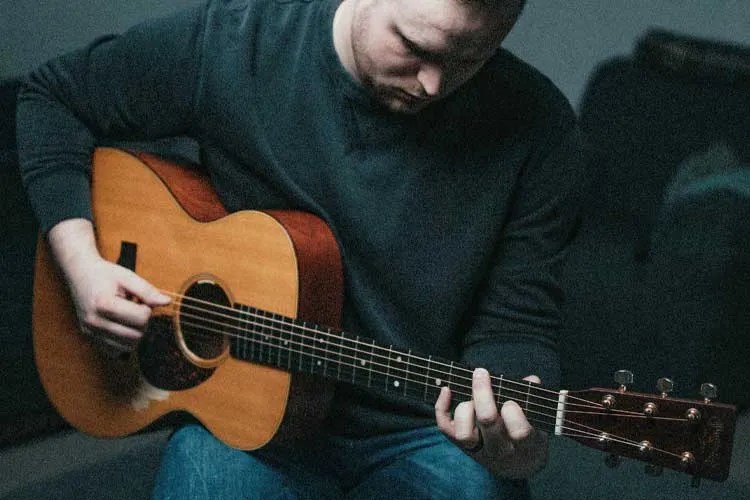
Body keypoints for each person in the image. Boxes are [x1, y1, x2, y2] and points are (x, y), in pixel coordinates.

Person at [16, 0, 585, 498]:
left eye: (469, 60)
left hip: (422, 427)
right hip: (247, 423)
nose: (432, 85)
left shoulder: (541, 130)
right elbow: (53, 97)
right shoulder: (236, 43)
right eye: (414, 46)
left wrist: (518, 443)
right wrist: (82, 265)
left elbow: (518, 324)